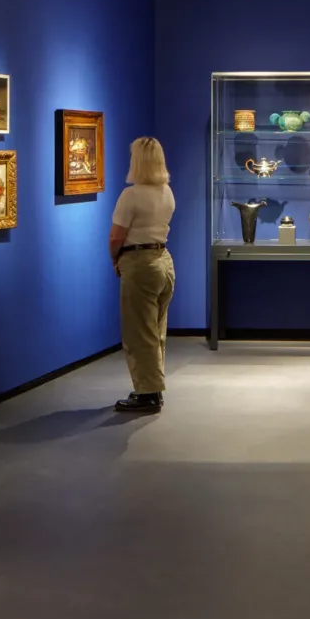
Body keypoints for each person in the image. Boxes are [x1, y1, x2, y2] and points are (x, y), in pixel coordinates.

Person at [108, 136, 177, 413]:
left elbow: (116, 237)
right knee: (156, 329)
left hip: (139, 262)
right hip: (164, 260)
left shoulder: (131, 195)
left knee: (139, 332)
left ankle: (147, 393)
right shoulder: (166, 192)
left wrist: (115, 260)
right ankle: (154, 387)